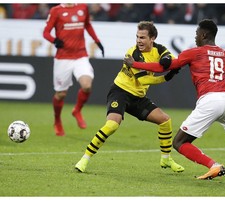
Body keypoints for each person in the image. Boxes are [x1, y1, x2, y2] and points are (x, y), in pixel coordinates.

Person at [124, 19, 225, 181]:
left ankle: (213, 165)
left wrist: (135, 63)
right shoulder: (223, 53)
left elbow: (164, 67)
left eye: (196, 34)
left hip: (210, 100)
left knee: (179, 142)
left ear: (204, 35)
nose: (195, 38)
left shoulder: (193, 52)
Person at [75, 21, 184, 173]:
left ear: (152, 38)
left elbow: (172, 59)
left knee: (165, 120)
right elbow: (145, 80)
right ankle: (84, 159)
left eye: (143, 37)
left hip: (138, 97)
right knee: (112, 125)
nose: (139, 40)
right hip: (120, 92)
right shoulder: (133, 54)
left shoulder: (160, 50)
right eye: (137, 37)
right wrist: (166, 77)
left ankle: (166, 159)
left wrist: (173, 64)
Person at [43, 3, 104, 136]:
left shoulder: (82, 7)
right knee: (61, 94)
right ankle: (57, 120)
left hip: (80, 55)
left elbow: (87, 25)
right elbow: (45, 32)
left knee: (87, 86)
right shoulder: (56, 10)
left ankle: (77, 110)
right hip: (63, 58)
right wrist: (54, 40)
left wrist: (97, 41)